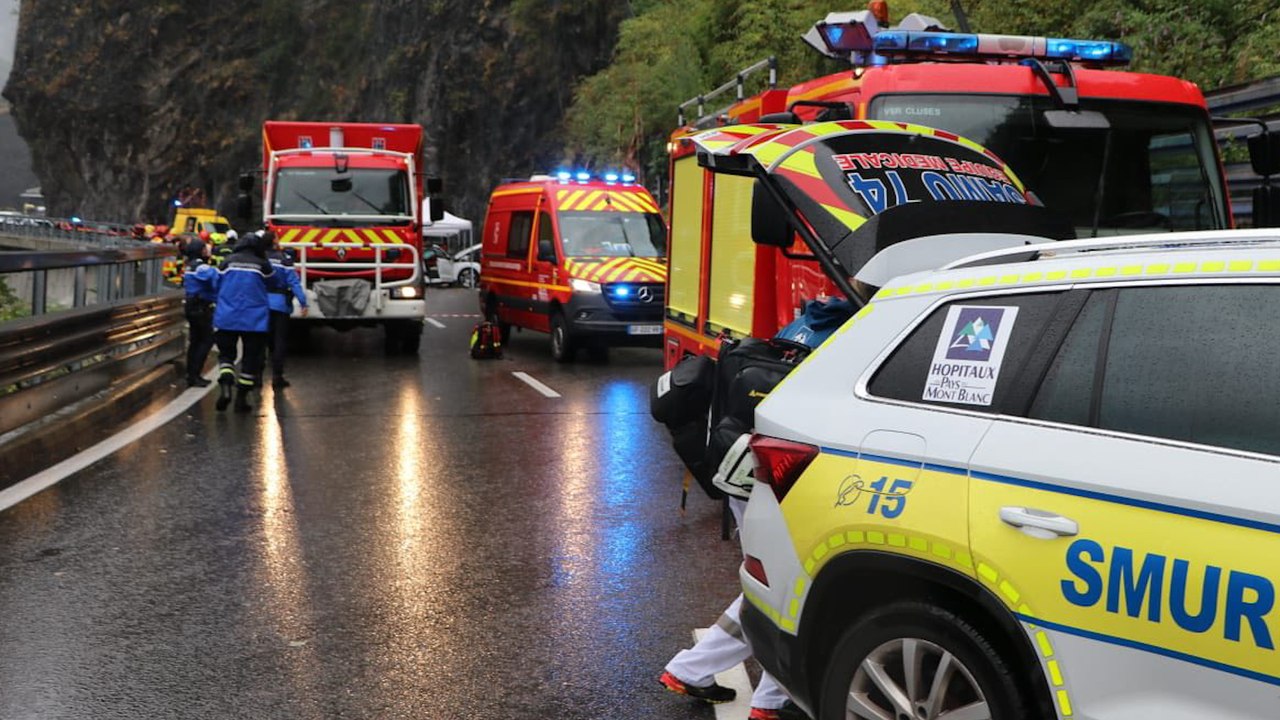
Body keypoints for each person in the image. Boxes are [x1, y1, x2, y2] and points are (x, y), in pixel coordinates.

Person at [212, 230, 283, 412]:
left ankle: (226, 385)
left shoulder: (227, 262)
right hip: (254, 320)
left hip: (227, 317)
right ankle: (241, 399)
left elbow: (216, 283)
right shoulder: (262, 265)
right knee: (251, 359)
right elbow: (274, 283)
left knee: (226, 355)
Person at [266, 239, 309, 388]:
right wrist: (303, 302)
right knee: (280, 341)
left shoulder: (259, 259)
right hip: (280, 305)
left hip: (262, 304)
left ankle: (256, 377)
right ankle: (277, 376)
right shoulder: (284, 260)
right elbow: (294, 283)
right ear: (274, 244)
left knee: (261, 341)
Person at [181, 237, 219, 388]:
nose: (207, 250)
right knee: (206, 340)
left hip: (192, 306)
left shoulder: (189, 266)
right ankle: (195, 375)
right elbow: (215, 279)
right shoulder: (201, 267)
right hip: (201, 307)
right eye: (204, 248)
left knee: (195, 341)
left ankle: (191, 374)